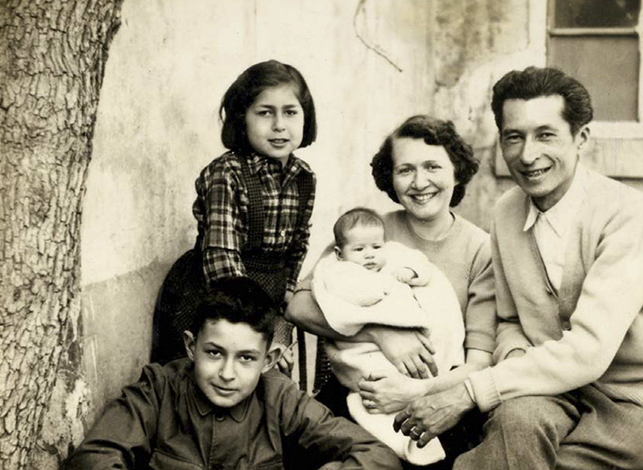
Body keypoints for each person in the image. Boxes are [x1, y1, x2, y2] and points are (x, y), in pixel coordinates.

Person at [394, 66, 643, 470]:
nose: (527, 155)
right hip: (558, 391)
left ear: (581, 138)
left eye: (546, 135)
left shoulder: (626, 215)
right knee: (513, 424)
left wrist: (472, 391)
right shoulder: (506, 213)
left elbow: (589, 350)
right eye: (513, 137)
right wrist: (518, 373)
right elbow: (508, 320)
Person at [287, 115, 496, 468]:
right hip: (361, 388)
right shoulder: (370, 232)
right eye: (405, 170)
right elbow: (299, 306)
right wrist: (378, 332)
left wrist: (415, 391)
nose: (420, 182)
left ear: (457, 172)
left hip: (437, 397)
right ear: (390, 178)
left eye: (433, 167)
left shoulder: (481, 250)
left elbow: (479, 362)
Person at [64, 278, 402, 470]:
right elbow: (93, 459)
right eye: (214, 353)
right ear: (190, 346)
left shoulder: (279, 397)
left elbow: (378, 456)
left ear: (269, 360)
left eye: (245, 358)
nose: (227, 373)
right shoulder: (158, 389)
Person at [151, 60, 317, 370]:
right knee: (201, 377)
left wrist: (285, 304)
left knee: (263, 379)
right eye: (265, 112)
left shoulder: (304, 177)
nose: (279, 125)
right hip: (213, 296)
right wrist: (261, 331)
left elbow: (298, 245)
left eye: (290, 112)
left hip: (266, 300)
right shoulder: (227, 174)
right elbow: (223, 262)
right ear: (242, 120)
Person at [312, 207, 466, 465]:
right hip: (364, 360)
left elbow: (421, 269)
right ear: (340, 253)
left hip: (437, 382)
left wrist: (410, 275)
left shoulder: (394, 254)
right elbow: (314, 301)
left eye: (375, 247)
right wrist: (380, 329)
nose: (369, 254)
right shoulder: (340, 269)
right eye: (359, 250)